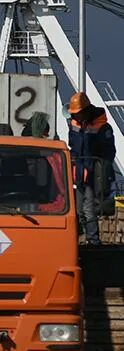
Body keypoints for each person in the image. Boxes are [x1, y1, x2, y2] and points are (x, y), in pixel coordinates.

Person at [68, 92, 117, 245]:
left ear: (85, 111)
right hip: (79, 171)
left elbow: (109, 151)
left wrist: (101, 170)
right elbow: (73, 145)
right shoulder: (75, 124)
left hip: (92, 172)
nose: (76, 117)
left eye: (78, 114)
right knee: (77, 210)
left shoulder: (102, 127)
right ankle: (79, 238)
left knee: (88, 208)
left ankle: (93, 239)